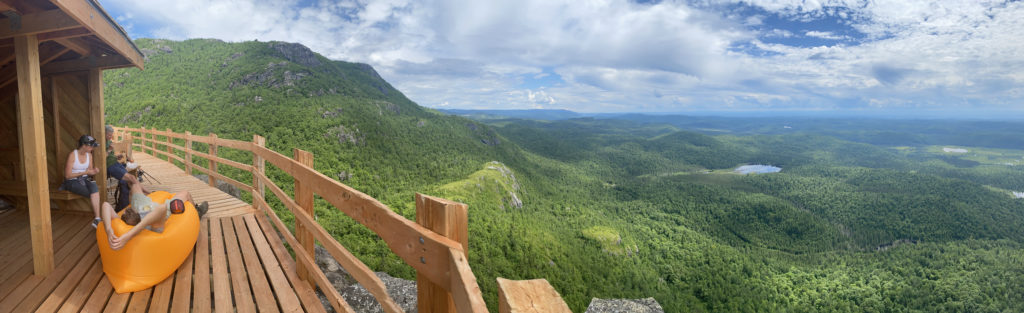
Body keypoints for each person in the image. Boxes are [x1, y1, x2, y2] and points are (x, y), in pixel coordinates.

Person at [100, 178, 209, 250]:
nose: (126, 210)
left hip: (143, 206)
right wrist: (128, 235)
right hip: (156, 210)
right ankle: (197, 212)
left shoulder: (130, 215)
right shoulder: (153, 225)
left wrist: (109, 230)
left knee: (134, 185)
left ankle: (149, 193)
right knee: (186, 193)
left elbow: (105, 205)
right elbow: (162, 208)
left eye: (127, 211)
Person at [61, 135, 103, 228]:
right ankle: (98, 218)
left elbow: (90, 172)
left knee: (94, 187)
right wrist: (85, 172)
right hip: (72, 181)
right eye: (91, 146)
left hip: (85, 179)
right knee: (94, 193)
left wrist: (94, 172)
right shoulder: (72, 155)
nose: (93, 148)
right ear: (84, 146)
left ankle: (97, 218)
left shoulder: (89, 155)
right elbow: (67, 176)